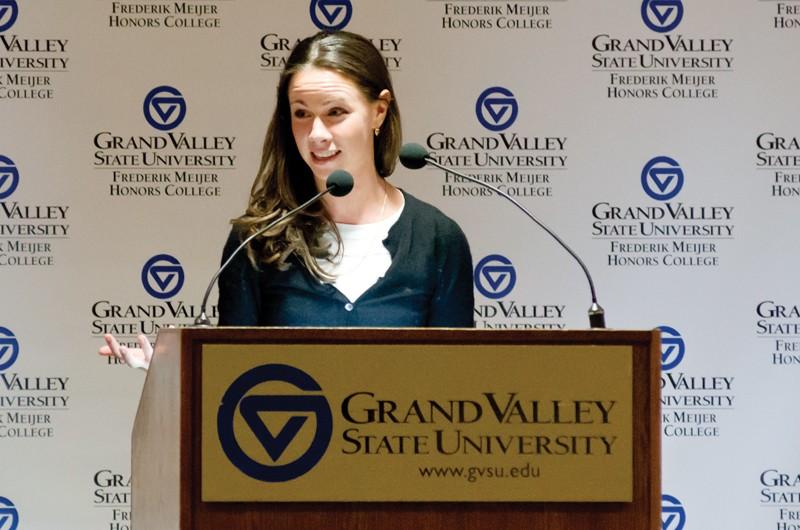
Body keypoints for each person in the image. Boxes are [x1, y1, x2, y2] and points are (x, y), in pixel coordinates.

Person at [99, 31, 474, 370]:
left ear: (379, 110)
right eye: (301, 114)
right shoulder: (257, 240)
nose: (316, 134)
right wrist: (178, 375)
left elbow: (461, 378)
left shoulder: (438, 239)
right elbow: (232, 380)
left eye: (335, 113)